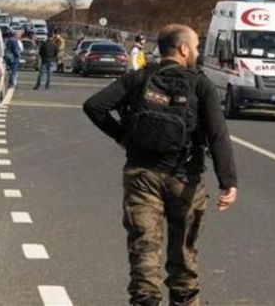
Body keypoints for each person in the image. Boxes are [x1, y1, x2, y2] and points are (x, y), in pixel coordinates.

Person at [83, 24, 238, 306]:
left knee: (144, 248)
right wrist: (228, 182)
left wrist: (123, 137)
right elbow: (218, 135)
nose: (197, 52)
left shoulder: (140, 77)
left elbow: (94, 106)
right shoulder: (200, 84)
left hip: (141, 175)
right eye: (195, 47)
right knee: (184, 250)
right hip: (185, 178)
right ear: (183, 48)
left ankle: (145, 301)